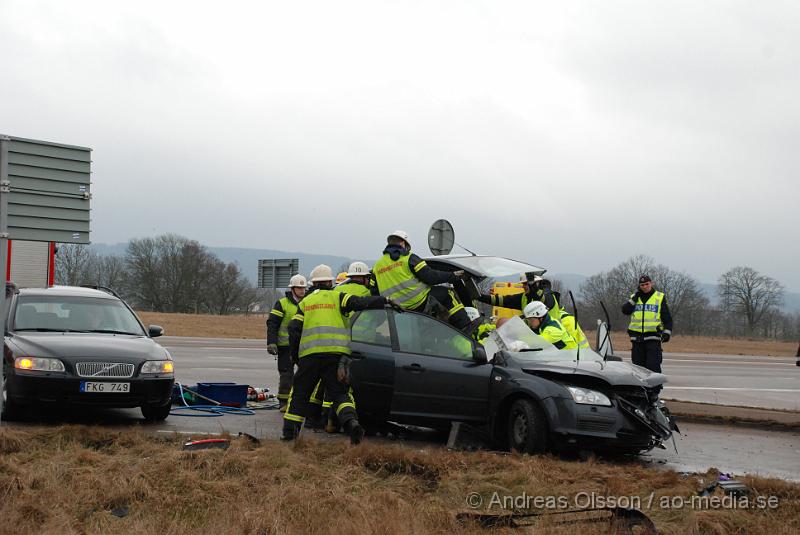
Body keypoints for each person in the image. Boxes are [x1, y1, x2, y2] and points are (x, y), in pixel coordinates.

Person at [282, 264, 398, 444]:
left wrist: (296, 355)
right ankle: (351, 423)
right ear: (330, 281)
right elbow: (360, 303)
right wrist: (385, 300)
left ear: (314, 283)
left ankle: (290, 435)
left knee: (300, 394)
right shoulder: (339, 297)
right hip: (336, 357)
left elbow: (294, 329)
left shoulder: (306, 302)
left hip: (310, 357)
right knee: (340, 393)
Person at [373, 230, 470, 330]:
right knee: (448, 294)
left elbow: (374, 291)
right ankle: (465, 326)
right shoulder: (408, 258)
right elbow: (431, 277)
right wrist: (453, 275)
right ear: (403, 243)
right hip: (418, 302)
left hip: (396, 309)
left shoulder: (377, 265)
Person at [266, 274, 307, 411]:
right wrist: (271, 342)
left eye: (303, 288)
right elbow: (272, 324)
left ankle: (300, 401)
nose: (302, 290)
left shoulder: (308, 302)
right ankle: (284, 402)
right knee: (286, 375)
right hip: (285, 346)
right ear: (292, 289)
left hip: (303, 346)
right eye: (299, 288)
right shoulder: (282, 303)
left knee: (304, 375)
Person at [621, 275, 673, 373]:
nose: (644, 287)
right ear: (639, 286)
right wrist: (635, 298)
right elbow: (625, 311)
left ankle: (654, 388)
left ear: (651, 283)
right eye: (642, 285)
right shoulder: (634, 297)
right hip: (637, 339)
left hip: (653, 338)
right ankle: (641, 388)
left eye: (647, 284)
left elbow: (667, 317)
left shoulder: (659, 297)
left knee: (653, 365)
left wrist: (667, 332)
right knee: (638, 368)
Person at [478, 273, 564, 322]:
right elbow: (502, 300)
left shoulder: (549, 295)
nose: (524, 286)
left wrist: (534, 288)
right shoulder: (524, 297)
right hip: (535, 335)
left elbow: (543, 300)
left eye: (526, 284)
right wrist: (479, 296)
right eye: (523, 284)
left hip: (551, 334)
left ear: (536, 283)